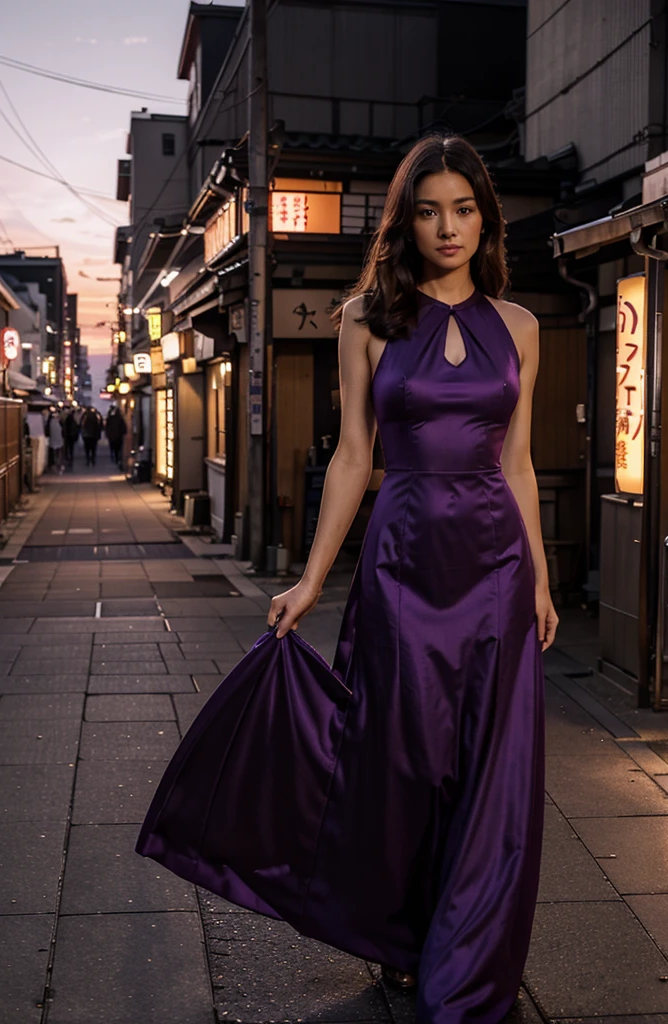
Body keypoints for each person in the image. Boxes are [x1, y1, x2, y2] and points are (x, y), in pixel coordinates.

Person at [137, 134, 558, 1024]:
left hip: (495, 568)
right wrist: (309, 580)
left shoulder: (519, 326)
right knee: (399, 761)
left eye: (465, 209)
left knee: (489, 769)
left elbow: (517, 464)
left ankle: (468, 958)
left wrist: (544, 581)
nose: (448, 227)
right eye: (429, 209)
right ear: (405, 220)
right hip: (401, 563)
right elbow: (352, 458)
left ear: (487, 218)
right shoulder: (365, 318)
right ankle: (402, 936)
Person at [46, 406, 64, 474]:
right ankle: (58, 464)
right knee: (58, 452)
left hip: (54, 439)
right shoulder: (59, 421)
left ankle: (55, 464)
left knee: (54, 451)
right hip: (58, 439)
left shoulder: (50, 421)